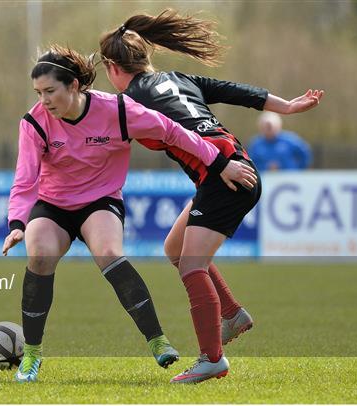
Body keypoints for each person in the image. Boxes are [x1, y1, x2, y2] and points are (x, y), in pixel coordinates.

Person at [2, 44, 256, 383]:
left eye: (50, 91)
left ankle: (157, 341)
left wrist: (219, 162)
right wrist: (17, 223)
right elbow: (24, 180)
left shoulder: (118, 109)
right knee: (40, 255)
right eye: (39, 92)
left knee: (109, 253)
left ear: (75, 85)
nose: (44, 99)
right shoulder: (35, 122)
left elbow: (173, 131)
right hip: (54, 205)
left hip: (100, 200)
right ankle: (31, 355)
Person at [99, 9, 324, 384]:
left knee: (191, 266)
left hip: (225, 175)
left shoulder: (131, 103)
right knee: (175, 248)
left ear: (112, 66)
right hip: (232, 167)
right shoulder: (178, 78)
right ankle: (232, 314)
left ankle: (211, 360)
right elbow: (234, 91)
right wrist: (285, 106)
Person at [248, 111, 312, 171]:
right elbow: (251, 164)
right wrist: (265, 167)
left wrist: (299, 170)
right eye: (265, 127)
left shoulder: (290, 140)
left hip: (290, 179)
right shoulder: (255, 144)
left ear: (278, 126)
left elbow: (305, 154)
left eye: (270, 127)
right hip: (265, 179)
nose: (268, 129)